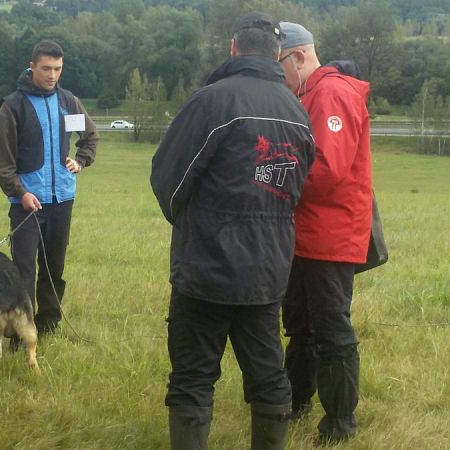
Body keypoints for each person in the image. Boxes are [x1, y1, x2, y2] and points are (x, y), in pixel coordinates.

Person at [151, 13, 315, 450]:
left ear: (233, 48)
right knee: (268, 376)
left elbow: (168, 179)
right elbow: (294, 190)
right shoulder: (296, 110)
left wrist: (195, 227)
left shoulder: (212, 101)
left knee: (192, 377)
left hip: (207, 269)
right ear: (277, 55)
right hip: (267, 272)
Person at [277, 21, 373, 444]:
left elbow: (327, 170)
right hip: (306, 234)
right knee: (300, 325)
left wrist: (270, 177)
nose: (276, 74)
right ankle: (297, 400)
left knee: (331, 327)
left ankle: (339, 421)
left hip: (330, 236)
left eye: (278, 64)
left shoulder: (331, 94)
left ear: (298, 57)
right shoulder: (306, 93)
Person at [0, 40, 98, 338]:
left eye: (58, 69)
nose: (53, 75)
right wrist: (20, 192)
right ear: (33, 66)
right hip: (27, 203)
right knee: (23, 271)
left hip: (62, 199)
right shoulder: (13, 106)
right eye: (46, 68)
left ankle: (49, 325)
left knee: (54, 268)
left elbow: (90, 137)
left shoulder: (68, 101)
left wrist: (81, 160)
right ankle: (20, 332)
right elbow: (2, 161)